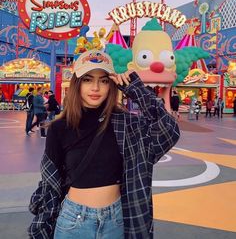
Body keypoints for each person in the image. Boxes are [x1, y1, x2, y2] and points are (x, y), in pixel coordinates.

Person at [28, 50, 180, 238]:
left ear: (112, 85)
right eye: (88, 79)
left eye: (104, 80)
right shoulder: (60, 127)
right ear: (77, 83)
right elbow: (51, 183)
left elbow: (169, 130)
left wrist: (135, 88)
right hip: (72, 222)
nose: (96, 87)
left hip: (116, 220)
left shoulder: (127, 123)